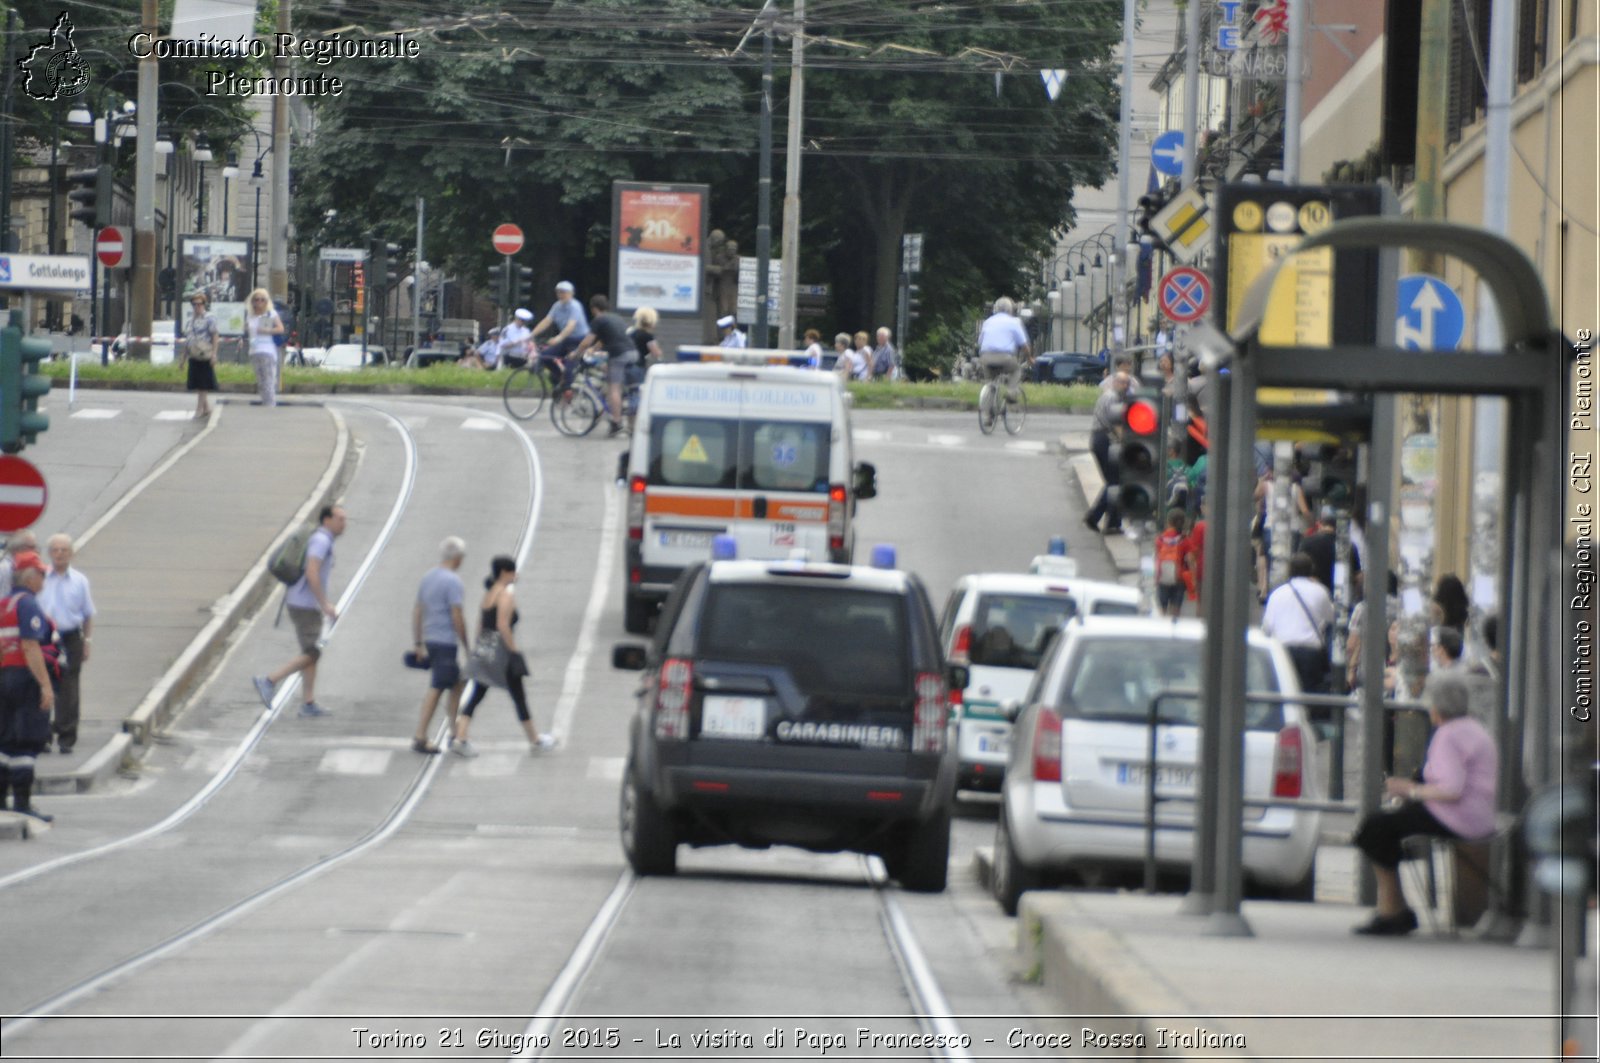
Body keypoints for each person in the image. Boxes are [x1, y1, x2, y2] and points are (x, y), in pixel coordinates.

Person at [1351, 671, 1497, 936]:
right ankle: (1394, 908)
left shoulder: (1448, 735)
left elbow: (1451, 789)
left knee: (1374, 829)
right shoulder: (1474, 729)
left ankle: (1393, 909)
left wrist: (1409, 790)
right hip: (1479, 815)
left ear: (1437, 705)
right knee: (1387, 825)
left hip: (1456, 816)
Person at [451, 556, 557, 757]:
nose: (516, 575)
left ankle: (461, 737)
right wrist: (514, 651)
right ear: (504, 573)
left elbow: (481, 624)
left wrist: (478, 648)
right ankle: (535, 739)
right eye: (513, 571)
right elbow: (503, 626)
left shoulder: (489, 593)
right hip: (501, 654)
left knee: (478, 693)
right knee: (519, 696)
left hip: (486, 650)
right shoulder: (505, 596)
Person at [253, 505, 346, 717]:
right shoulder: (321, 541)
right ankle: (269, 680)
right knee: (313, 653)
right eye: (340, 519)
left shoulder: (321, 539)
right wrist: (325, 604)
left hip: (301, 602)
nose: (344, 524)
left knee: (310, 653)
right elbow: (312, 572)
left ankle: (308, 703)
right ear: (327, 520)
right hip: (304, 605)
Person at [0, 550, 57, 821]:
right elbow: (30, 646)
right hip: (24, 676)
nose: (44, 580)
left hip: (4, 676)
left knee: (5, 738)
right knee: (28, 738)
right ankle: (22, 801)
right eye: (42, 574)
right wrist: (45, 685)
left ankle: (1, 799)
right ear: (30, 577)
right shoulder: (29, 605)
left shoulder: (4, 604)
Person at [411, 537, 468, 755]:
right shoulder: (453, 581)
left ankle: (454, 732)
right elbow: (457, 615)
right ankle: (420, 736)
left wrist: (418, 642)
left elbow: (418, 610)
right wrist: (466, 643)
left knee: (457, 683)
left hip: (430, 641)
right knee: (437, 687)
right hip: (445, 642)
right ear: (457, 558)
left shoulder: (428, 578)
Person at [38, 534, 94, 756]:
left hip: (70, 637)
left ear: (71, 554)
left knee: (69, 688)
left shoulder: (80, 581)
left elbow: (88, 614)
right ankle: (42, 735)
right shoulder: (40, 578)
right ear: (50, 553)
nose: (59, 554)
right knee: (42, 684)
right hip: (44, 638)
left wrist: (87, 641)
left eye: (64, 550)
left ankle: (66, 736)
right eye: (55, 550)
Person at [1261, 551, 1336, 694]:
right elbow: (1331, 617)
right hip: (1311, 652)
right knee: (1309, 693)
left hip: (1284, 650)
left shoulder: (1277, 594)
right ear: (1311, 570)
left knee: (1285, 691)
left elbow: (1267, 627)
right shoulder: (1320, 591)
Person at [573, 294, 637, 437]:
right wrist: (593, 350)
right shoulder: (615, 317)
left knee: (614, 387)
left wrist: (577, 353)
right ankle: (621, 409)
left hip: (619, 355)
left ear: (594, 309)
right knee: (608, 372)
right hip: (632, 352)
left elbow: (586, 341)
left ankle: (616, 422)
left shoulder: (598, 320)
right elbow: (603, 340)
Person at [1083, 369, 1131, 534]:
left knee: (1114, 481)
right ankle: (1104, 520)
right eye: (1121, 382)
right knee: (1116, 481)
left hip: (1101, 439)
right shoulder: (1112, 398)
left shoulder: (1113, 396)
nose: (1124, 386)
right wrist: (1126, 442)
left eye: (1126, 383)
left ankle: (1108, 520)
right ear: (1113, 382)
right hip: (1105, 440)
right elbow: (1116, 424)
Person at [977, 297, 1030, 402]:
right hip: (1005, 358)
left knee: (990, 383)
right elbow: (1024, 345)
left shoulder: (987, 322)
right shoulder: (1014, 322)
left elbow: (979, 342)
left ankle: (988, 414)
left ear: (995, 309)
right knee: (1016, 370)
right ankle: (1011, 392)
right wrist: (1030, 358)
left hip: (986, 357)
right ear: (1010, 310)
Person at [531, 282, 590, 367]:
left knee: (569, 368)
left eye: (564, 292)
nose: (561, 295)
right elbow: (547, 321)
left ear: (571, 294)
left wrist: (558, 338)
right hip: (566, 338)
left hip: (579, 339)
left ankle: (568, 376)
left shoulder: (575, 306)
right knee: (545, 356)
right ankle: (558, 376)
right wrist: (531, 334)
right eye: (559, 292)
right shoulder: (557, 306)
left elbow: (571, 326)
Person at [183, 292, 220, 419]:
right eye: (195, 304)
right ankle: (207, 408)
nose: (197, 307)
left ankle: (199, 409)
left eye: (200, 304)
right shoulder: (190, 320)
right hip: (193, 354)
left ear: (204, 304)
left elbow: (215, 336)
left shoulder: (209, 318)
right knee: (198, 383)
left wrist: (214, 354)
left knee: (203, 383)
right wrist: (183, 359)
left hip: (205, 354)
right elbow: (188, 340)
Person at [245, 288, 284, 407]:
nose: (259, 302)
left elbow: (280, 329)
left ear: (267, 301)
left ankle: (270, 404)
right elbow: (248, 330)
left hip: (267, 350)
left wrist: (267, 330)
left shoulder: (270, 313)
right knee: (261, 380)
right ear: (252, 302)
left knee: (268, 379)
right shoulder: (250, 315)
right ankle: (265, 402)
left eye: (263, 300)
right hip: (254, 350)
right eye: (256, 300)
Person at [1154, 510, 1189, 619]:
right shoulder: (1184, 540)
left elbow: (1156, 557)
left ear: (1168, 522)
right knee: (1176, 609)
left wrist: (1154, 577)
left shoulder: (1160, 539)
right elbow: (1190, 558)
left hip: (1163, 577)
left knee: (1162, 609)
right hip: (1179, 577)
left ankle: (1163, 630)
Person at [0, 530, 38, 599]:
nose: (35, 551)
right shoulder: (5, 568)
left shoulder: (27, 568)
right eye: (32, 547)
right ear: (19, 548)